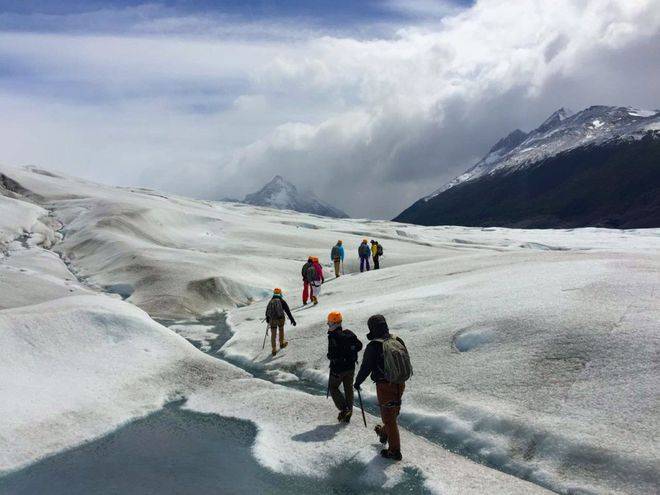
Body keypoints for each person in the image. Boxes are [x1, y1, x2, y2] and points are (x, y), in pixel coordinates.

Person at [354, 315, 411, 461]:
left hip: (385, 385)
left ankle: (394, 451)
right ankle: (385, 433)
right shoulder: (397, 340)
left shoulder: (374, 346)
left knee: (389, 417)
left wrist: (358, 382)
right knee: (394, 411)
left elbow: (366, 367)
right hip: (400, 382)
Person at [326, 311, 363, 422]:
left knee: (333, 387)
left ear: (332, 323)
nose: (328, 324)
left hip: (338, 369)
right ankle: (349, 413)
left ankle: (344, 409)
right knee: (348, 389)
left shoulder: (333, 336)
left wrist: (330, 356)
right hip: (350, 367)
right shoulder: (349, 333)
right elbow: (359, 346)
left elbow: (332, 355)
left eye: (329, 322)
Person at [265, 288, 296, 356]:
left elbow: (267, 312)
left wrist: (268, 319)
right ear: (280, 293)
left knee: (273, 333)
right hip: (280, 319)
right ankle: (281, 343)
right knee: (281, 329)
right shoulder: (282, 301)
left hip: (272, 320)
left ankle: (274, 349)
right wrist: (292, 320)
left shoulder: (271, 301)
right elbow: (287, 311)